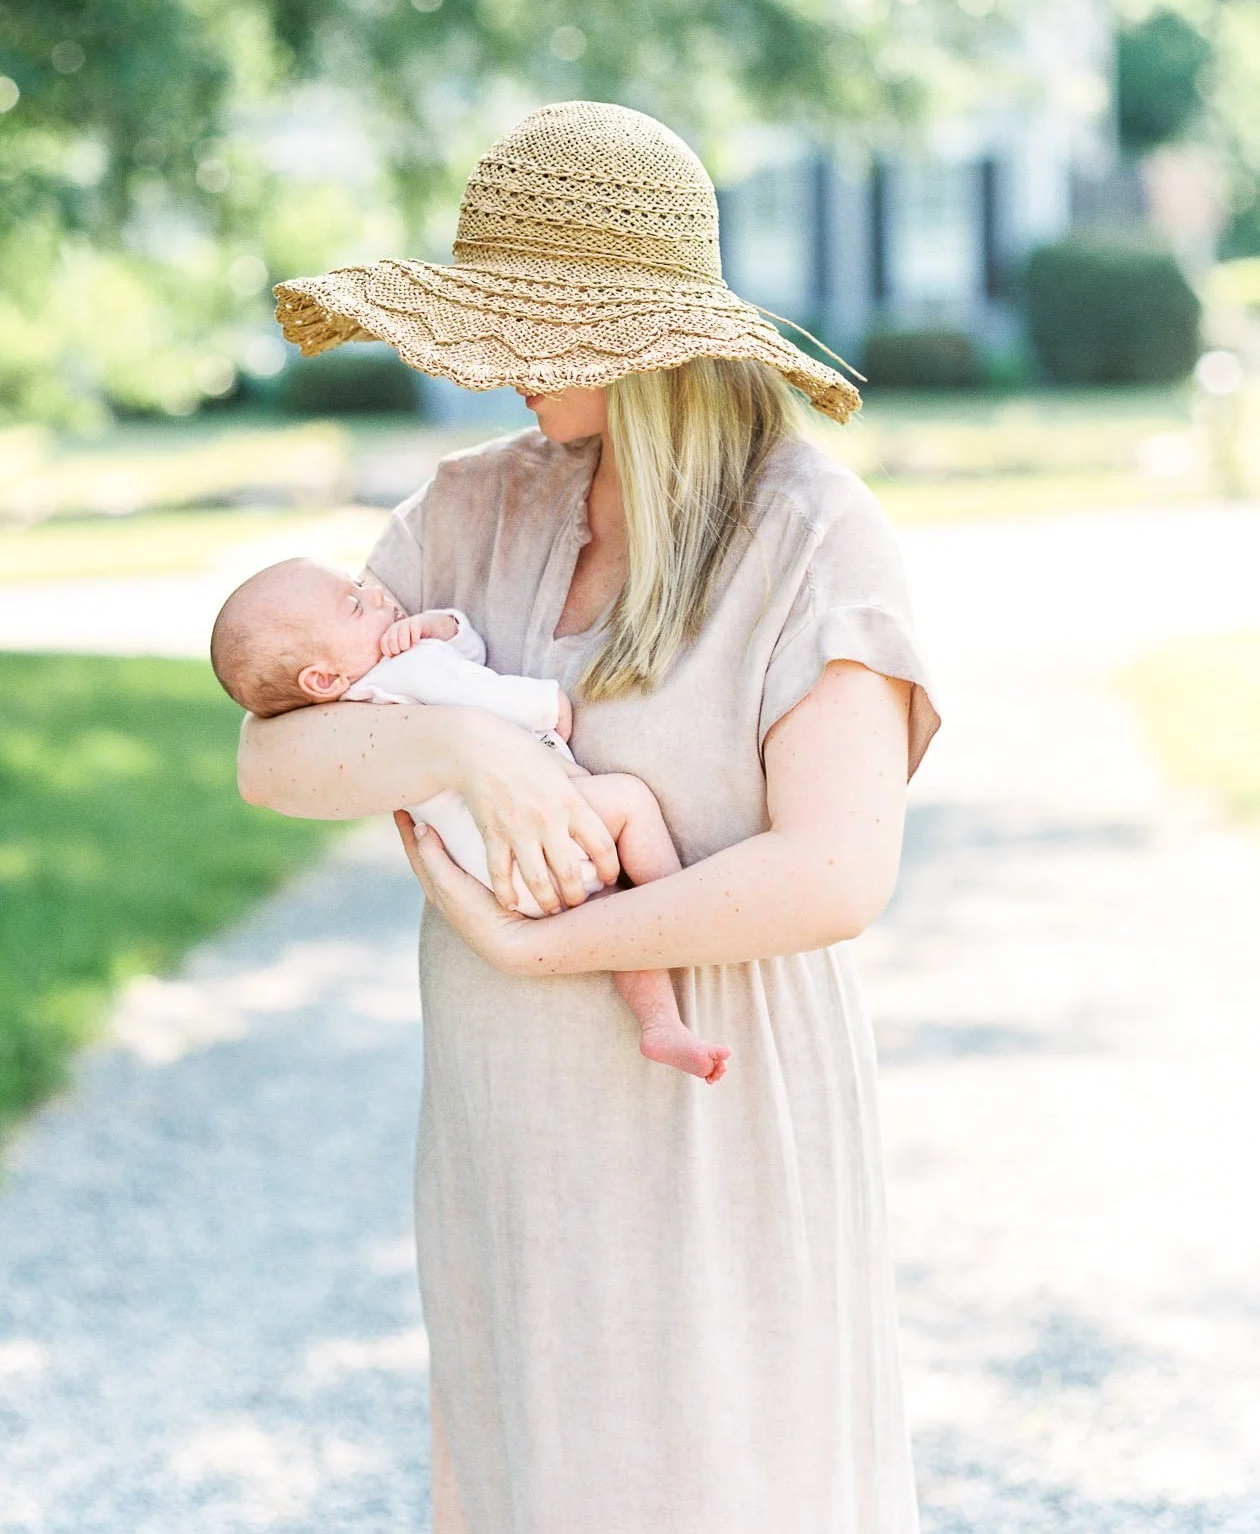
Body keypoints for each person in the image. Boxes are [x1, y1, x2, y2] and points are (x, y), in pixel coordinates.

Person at [241, 100, 940, 1532]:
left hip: (716, 1134)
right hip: (509, 1135)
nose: (498, 367)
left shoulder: (813, 535)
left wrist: (548, 947)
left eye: (532, 333)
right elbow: (273, 762)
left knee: (728, 1483)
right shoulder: (467, 512)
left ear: (644, 335)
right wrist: (464, 748)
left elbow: (837, 870)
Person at [209, 556, 731, 1080]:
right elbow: (482, 692)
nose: (377, 597)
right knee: (630, 802)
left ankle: (660, 1024)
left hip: (500, 877)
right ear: (321, 676)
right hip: (541, 837)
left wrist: (440, 626)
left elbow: (462, 661)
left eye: (361, 584)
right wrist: (547, 706)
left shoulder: (356, 707)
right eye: (354, 605)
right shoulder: (408, 668)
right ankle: (681, 907)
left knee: (615, 910)